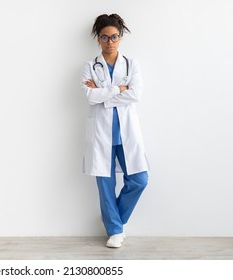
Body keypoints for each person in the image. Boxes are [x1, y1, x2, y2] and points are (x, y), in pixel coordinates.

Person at [81, 13, 149, 248]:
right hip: (101, 132)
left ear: (121, 37)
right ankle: (115, 231)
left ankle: (115, 222)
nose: (110, 42)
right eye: (104, 37)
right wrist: (119, 89)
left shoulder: (132, 64)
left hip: (126, 132)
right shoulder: (91, 66)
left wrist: (105, 94)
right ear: (98, 39)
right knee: (105, 184)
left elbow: (136, 94)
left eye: (114, 37)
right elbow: (90, 96)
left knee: (140, 180)